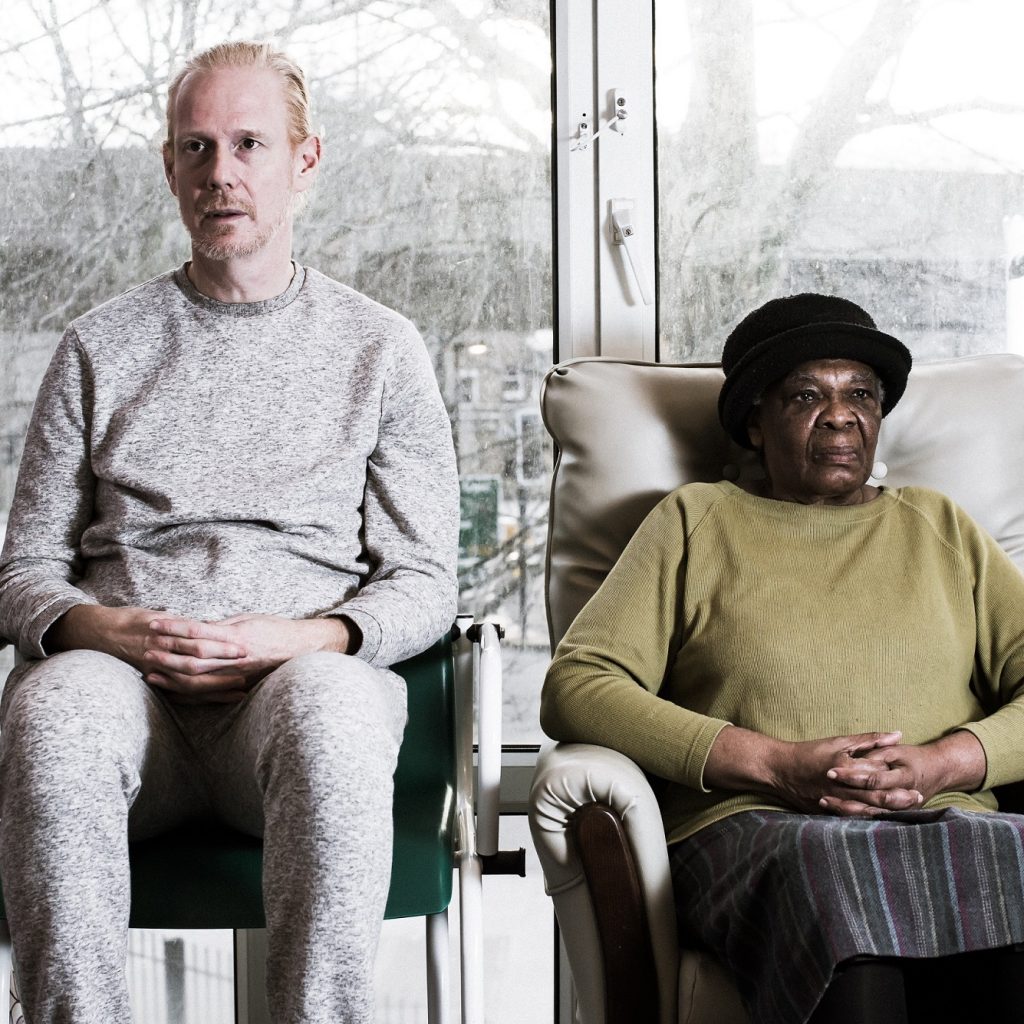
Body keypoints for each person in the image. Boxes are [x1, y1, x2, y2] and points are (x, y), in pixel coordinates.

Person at [0, 41, 459, 1024]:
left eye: (249, 144)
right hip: (131, 697)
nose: (221, 173)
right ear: (170, 168)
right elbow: (26, 574)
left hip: (289, 693)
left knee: (334, 707)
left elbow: (423, 580)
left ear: (304, 160)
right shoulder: (98, 347)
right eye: (196, 148)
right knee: (54, 711)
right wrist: (105, 631)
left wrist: (296, 639)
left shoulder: (380, 349)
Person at [541, 293, 1024, 1024]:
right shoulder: (695, 521)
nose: (840, 415)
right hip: (757, 830)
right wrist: (772, 764)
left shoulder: (940, 525)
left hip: (945, 819)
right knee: (835, 870)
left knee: (1005, 859)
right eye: (807, 395)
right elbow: (577, 686)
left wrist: (945, 764)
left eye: (860, 394)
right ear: (755, 424)